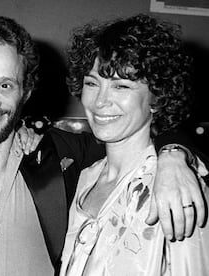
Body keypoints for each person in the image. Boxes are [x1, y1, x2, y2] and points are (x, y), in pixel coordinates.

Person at [0, 14, 207, 276]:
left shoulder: (66, 157)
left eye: (5, 85)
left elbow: (152, 134)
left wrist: (173, 154)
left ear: (26, 91)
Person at [59, 14, 209, 275]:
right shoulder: (85, 177)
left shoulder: (176, 188)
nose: (100, 102)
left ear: (157, 97)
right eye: (92, 83)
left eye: (121, 86)